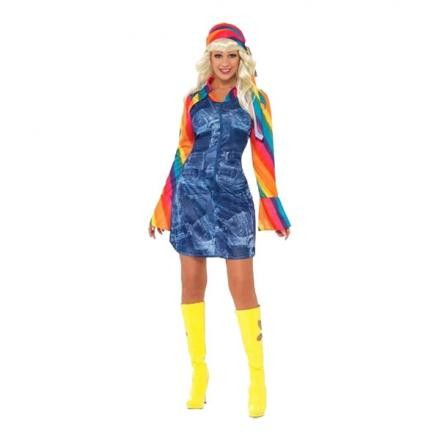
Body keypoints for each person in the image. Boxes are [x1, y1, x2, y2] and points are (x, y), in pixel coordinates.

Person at [148, 22, 292, 418]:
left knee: (243, 290)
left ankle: (258, 379)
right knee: (191, 287)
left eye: (231, 55)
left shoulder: (255, 99)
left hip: (233, 202)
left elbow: (264, 156)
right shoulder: (193, 101)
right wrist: (163, 206)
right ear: (208, 58)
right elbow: (182, 152)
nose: (225, 63)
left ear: (241, 58)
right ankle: (199, 373)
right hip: (191, 198)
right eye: (217, 55)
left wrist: (272, 207)